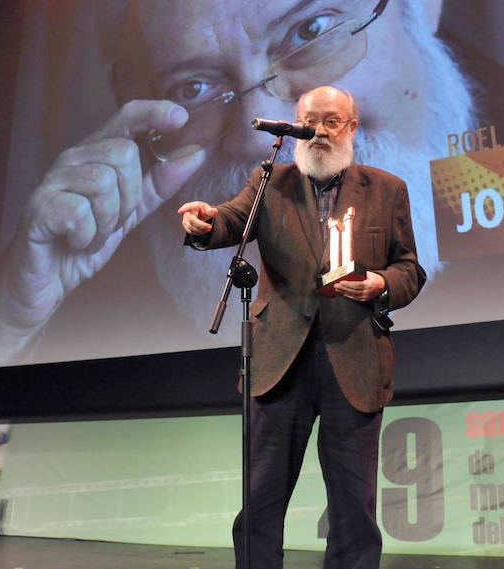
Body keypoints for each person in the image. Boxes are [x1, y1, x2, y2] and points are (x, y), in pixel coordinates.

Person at [0, 0, 472, 366]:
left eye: (310, 30)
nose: (256, 133)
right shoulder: (93, 314)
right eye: (195, 86)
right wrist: (14, 336)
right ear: (131, 99)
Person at [179, 85, 425, 569]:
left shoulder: (387, 189)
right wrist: (204, 223)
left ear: (351, 127)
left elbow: (410, 269)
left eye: (331, 121)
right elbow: (229, 220)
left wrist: (378, 282)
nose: (318, 131)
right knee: (261, 502)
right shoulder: (271, 181)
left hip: (352, 358)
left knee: (354, 510)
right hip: (278, 362)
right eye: (309, 119)